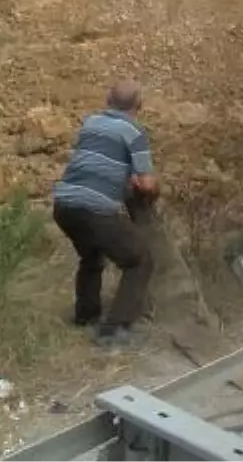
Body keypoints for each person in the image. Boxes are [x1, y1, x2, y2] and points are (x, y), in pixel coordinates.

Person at [52, 80, 159, 348]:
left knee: (91, 256)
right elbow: (146, 184)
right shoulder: (135, 131)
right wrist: (152, 192)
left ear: (108, 101)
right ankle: (114, 331)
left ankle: (85, 318)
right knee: (139, 260)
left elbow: (96, 163)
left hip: (64, 205)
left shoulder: (91, 123)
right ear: (139, 106)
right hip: (95, 209)